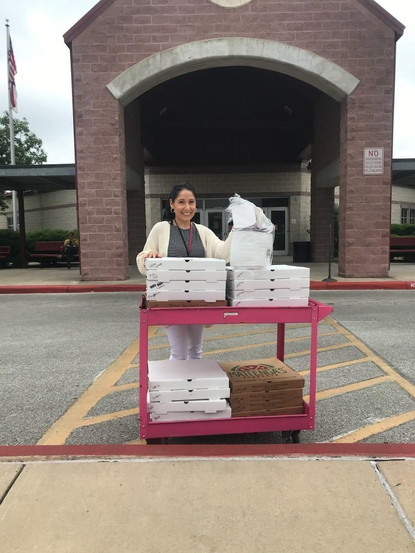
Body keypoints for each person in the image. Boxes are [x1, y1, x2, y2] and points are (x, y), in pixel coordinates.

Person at [137, 183, 232, 360]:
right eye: (181, 202)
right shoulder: (161, 229)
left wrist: (237, 231)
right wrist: (150, 255)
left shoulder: (202, 232)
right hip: (172, 300)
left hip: (197, 300)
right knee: (179, 353)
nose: (187, 207)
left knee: (196, 351)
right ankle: (176, 379)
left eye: (191, 202)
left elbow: (223, 254)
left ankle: (193, 379)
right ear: (171, 204)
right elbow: (143, 260)